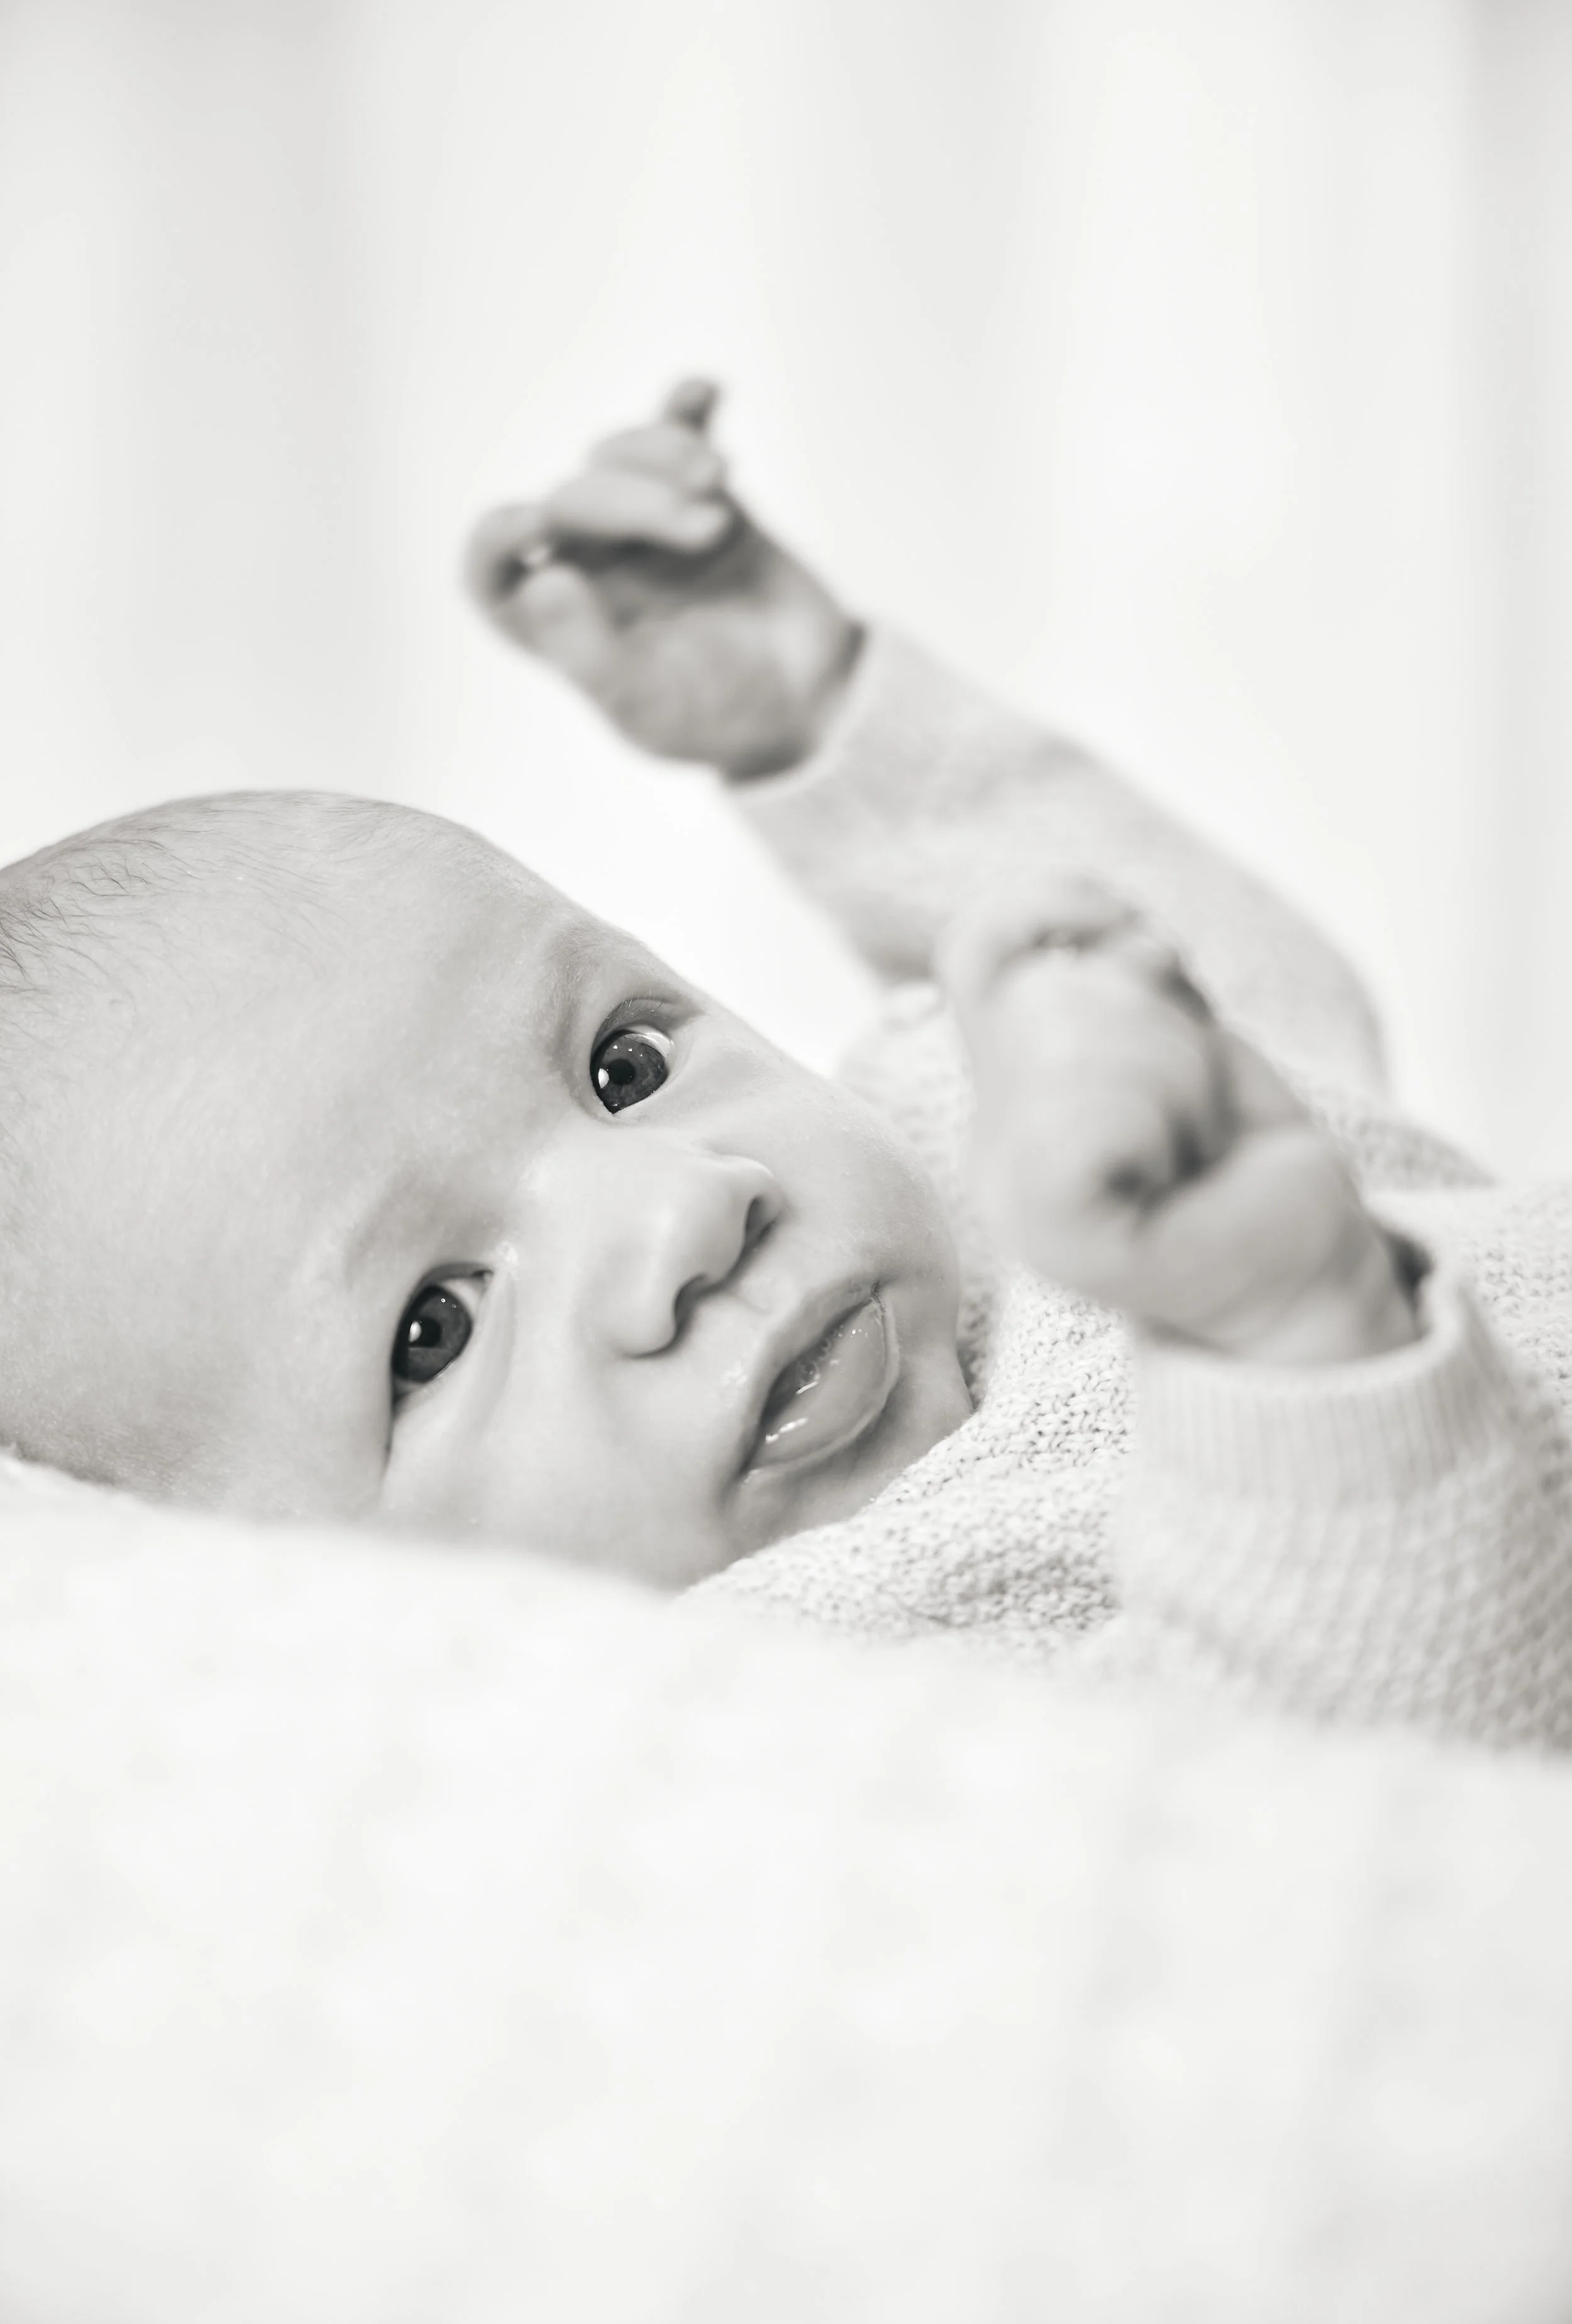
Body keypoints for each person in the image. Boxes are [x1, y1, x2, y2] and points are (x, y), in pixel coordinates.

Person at [0, 384, 1566, 1752]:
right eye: (434, 1323)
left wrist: (822, 718)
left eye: (619, 1065)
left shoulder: (956, 1137)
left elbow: (1238, 1012)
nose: (681, 1210)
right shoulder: (808, 1698)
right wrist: (1292, 1345)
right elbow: (1333, 1814)